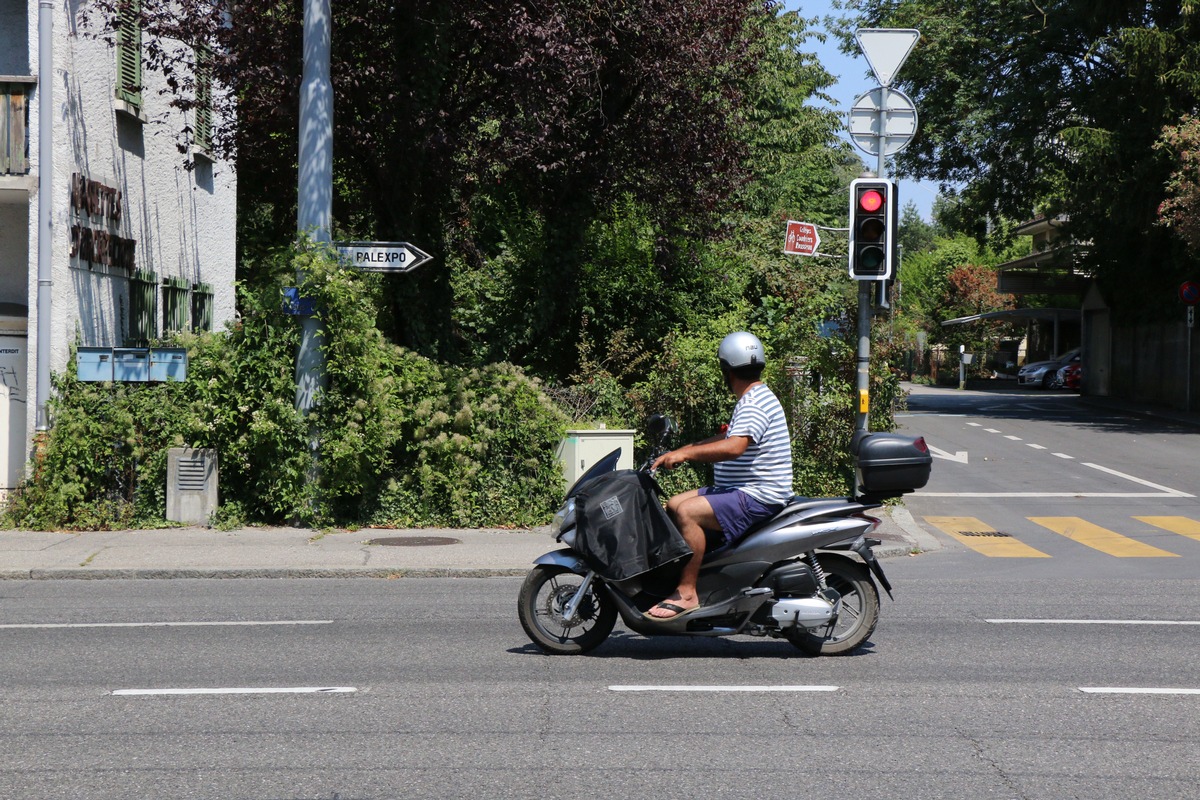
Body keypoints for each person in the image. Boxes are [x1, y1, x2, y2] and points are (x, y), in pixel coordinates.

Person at [645, 331, 794, 620]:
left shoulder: (753, 403)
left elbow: (735, 447)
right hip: (741, 489)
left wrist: (686, 455)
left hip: (757, 495)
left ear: (727, 370)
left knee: (687, 513)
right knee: (674, 504)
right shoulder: (755, 397)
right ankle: (706, 572)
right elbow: (726, 438)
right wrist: (682, 449)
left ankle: (687, 592)